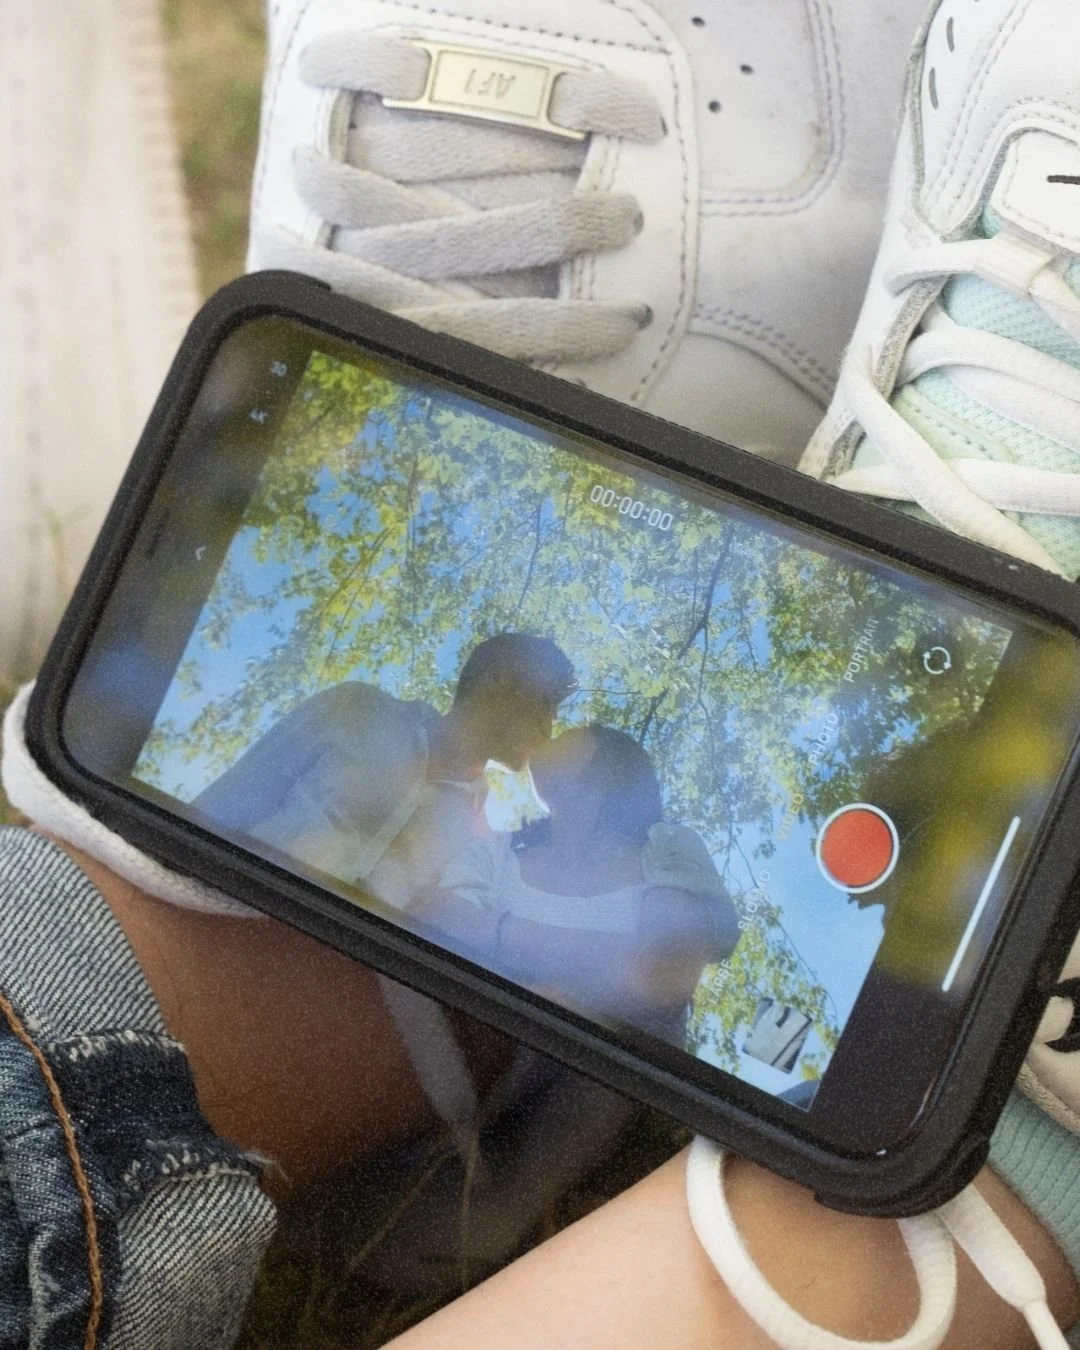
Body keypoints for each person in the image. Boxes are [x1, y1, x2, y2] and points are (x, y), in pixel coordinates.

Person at [4, 0, 1080, 1346]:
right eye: (529, 694)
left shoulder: (568, 812)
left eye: (551, 706)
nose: (542, 722)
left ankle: (329, 1019)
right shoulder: (410, 746)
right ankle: (990, 1196)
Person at [193, 633, 576, 909]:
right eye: (546, 705)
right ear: (501, 679)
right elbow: (228, 802)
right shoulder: (354, 710)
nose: (549, 728)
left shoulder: (485, 834)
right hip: (221, 912)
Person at [412, 725, 740, 1042]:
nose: (552, 730)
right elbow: (438, 926)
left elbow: (666, 976)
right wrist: (602, 974)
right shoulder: (492, 851)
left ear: (611, 761)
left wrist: (498, 935)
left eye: (576, 730)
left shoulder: (669, 844)